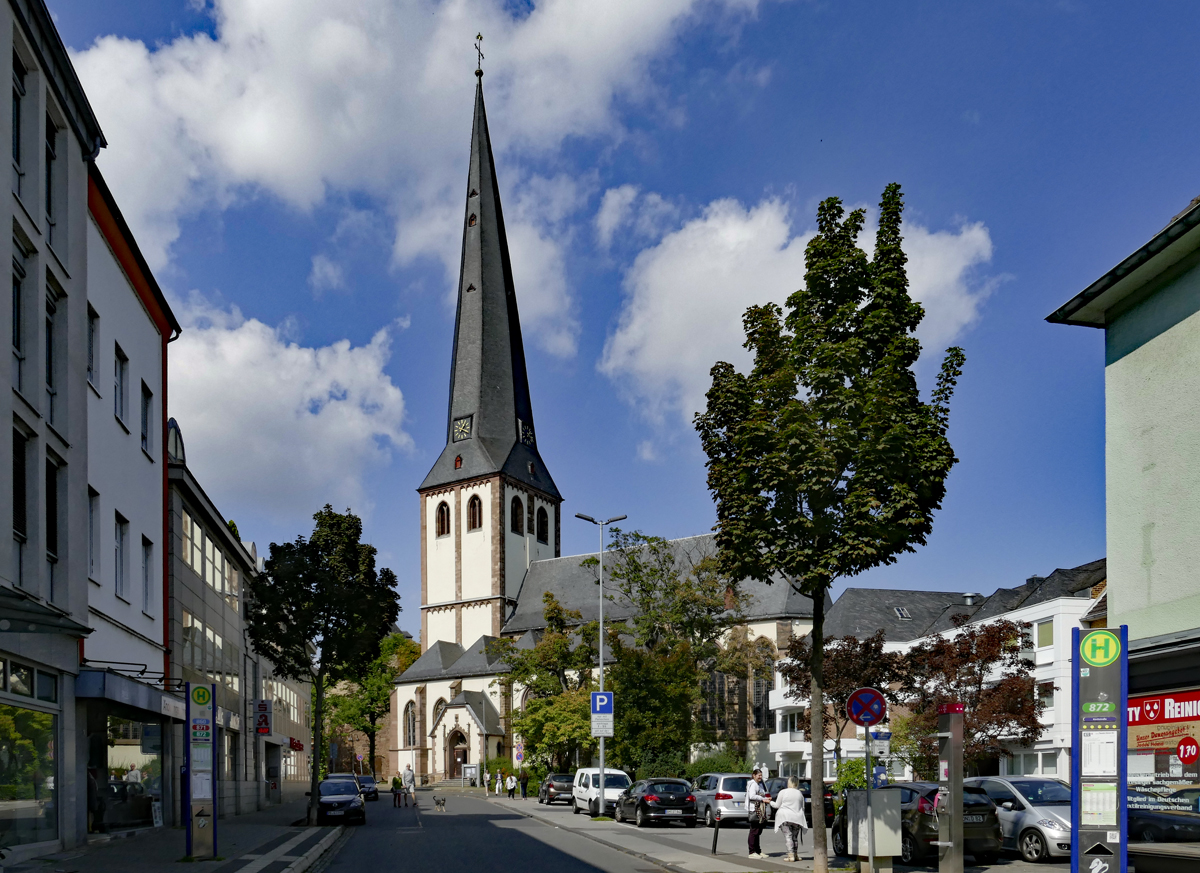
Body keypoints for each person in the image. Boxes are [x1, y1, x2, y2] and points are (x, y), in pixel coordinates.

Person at [769, 776, 810, 863]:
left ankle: (790, 855)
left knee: (788, 836)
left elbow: (777, 805)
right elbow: (802, 807)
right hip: (797, 818)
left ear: (789, 782)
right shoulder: (799, 793)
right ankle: (795, 855)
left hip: (785, 817)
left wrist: (769, 802)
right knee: (795, 837)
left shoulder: (783, 792)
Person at [745, 768, 767, 859]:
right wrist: (762, 798)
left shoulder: (758, 784)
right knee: (754, 831)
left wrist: (764, 798)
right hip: (754, 810)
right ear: (754, 775)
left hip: (759, 809)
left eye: (761, 775)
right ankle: (752, 852)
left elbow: (762, 794)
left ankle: (758, 851)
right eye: (759, 775)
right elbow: (752, 796)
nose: (760, 777)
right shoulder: (753, 784)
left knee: (758, 831)